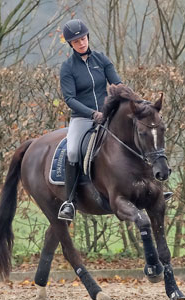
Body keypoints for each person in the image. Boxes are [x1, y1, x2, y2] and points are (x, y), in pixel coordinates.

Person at [58, 18, 122, 220]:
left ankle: (150, 188)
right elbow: (69, 99)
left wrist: (132, 103)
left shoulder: (101, 60)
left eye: (83, 38)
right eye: (76, 41)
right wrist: (92, 113)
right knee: (73, 150)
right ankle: (69, 202)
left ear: (88, 38)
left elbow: (117, 85)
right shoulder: (67, 68)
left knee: (136, 135)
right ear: (71, 44)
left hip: (108, 114)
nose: (81, 43)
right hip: (83, 118)